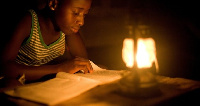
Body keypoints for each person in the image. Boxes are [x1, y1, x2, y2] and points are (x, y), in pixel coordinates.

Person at [0, 0, 93, 85]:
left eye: (84, 14)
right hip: (16, 78)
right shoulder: (28, 22)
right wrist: (59, 69)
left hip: (42, 78)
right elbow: (4, 68)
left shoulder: (67, 28)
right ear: (54, 4)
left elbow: (83, 63)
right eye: (76, 13)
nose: (81, 22)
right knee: (11, 84)